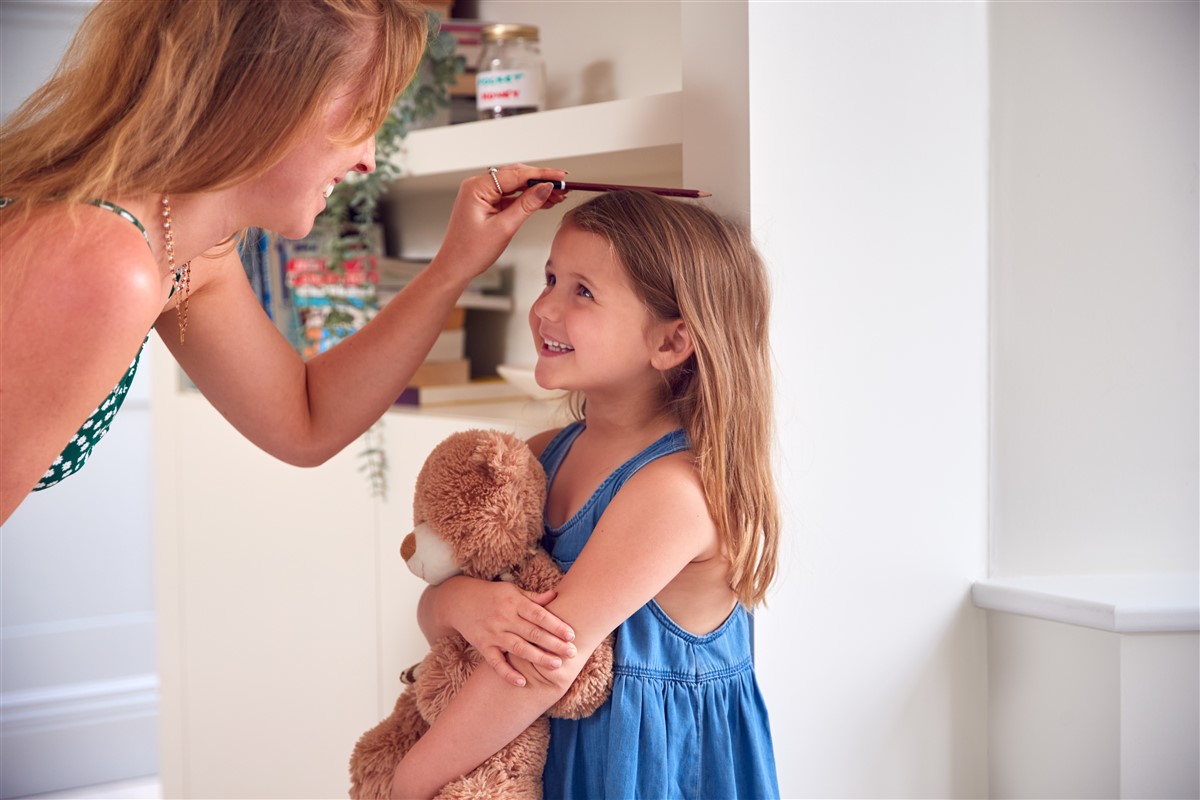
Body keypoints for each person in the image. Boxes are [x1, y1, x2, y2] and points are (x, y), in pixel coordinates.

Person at [0, 0, 575, 675]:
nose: (367, 158)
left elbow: (304, 419)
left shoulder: (190, 251)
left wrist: (452, 267)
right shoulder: (105, 259)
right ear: (268, 96)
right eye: (363, 118)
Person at [392, 190, 782, 799]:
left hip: (640, 774)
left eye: (583, 291)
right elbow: (434, 611)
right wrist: (461, 604)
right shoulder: (543, 455)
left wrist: (409, 782)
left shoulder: (675, 493)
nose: (545, 306)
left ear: (670, 342)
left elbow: (545, 667)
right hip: (538, 755)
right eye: (551, 278)